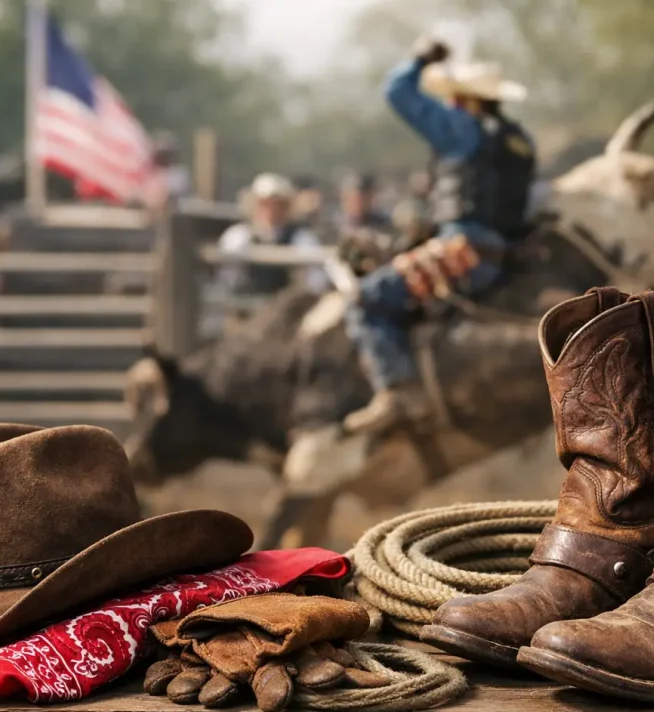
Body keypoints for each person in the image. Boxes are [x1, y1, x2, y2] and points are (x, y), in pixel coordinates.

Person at [342, 36, 536, 435]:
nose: (447, 103)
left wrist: (420, 58)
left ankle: (398, 392)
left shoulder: (461, 128)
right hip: (500, 253)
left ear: (463, 99)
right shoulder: (519, 141)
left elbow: (397, 92)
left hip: (461, 251)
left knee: (366, 299)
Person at [216, 172, 324, 296]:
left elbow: (315, 282)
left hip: (287, 304)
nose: (271, 210)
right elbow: (226, 279)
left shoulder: (302, 238)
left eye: (278, 205)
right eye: (265, 204)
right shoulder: (238, 236)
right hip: (245, 303)